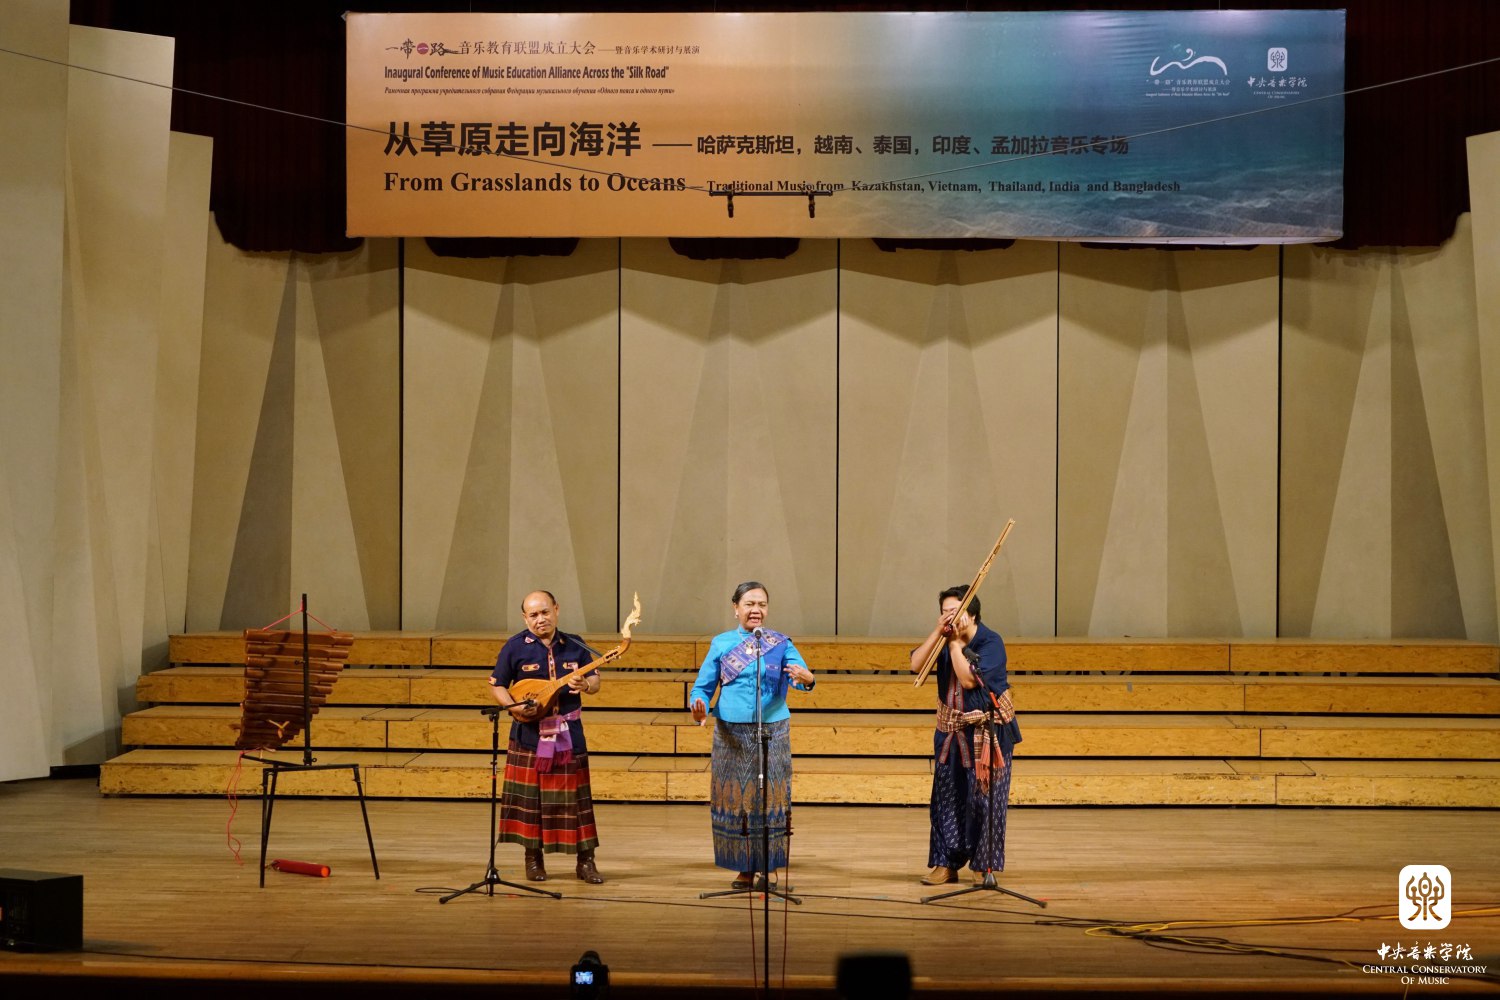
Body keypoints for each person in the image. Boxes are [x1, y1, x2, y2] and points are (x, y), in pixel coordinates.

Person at [689, 581, 816, 889]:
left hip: (773, 730)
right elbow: (702, 688)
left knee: (770, 798)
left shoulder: (780, 643)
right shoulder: (721, 643)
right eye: (749, 604)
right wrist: (699, 706)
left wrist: (807, 678)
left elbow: (800, 677)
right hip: (731, 733)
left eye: (761, 604)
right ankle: (744, 867)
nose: (756, 610)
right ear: (736, 608)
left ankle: (768, 866)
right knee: (736, 800)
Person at [488, 590, 605, 884]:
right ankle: (533, 860)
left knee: (578, 802)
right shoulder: (515, 646)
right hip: (529, 735)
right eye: (533, 615)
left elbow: (595, 680)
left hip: (568, 735)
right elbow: (497, 685)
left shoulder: (575, 644)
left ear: (556, 610)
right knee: (532, 803)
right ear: (525, 618)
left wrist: (586, 685)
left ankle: (586, 862)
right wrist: (514, 707)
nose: (540, 619)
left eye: (545, 612)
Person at [909, 585, 1021, 885]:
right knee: (946, 798)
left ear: (971, 615)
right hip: (951, 731)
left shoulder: (991, 641)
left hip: (987, 732)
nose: (949, 616)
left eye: (955, 611)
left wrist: (955, 645)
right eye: (944, 612)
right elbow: (916, 665)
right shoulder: (944, 639)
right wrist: (939, 633)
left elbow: (969, 680)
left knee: (985, 801)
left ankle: (984, 865)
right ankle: (946, 863)